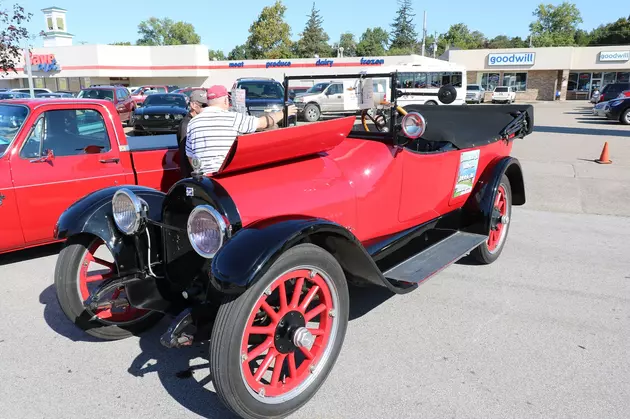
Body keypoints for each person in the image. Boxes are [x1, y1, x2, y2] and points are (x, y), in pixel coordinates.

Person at [185, 85, 297, 175]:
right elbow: (263, 123)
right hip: (223, 176)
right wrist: (283, 113)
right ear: (225, 101)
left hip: (203, 179)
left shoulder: (193, 123)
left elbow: (190, 155)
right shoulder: (232, 118)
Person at [177, 89, 207, 178]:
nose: (206, 108)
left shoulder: (199, 121)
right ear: (193, 105)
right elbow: (185, 155)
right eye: (204, 105)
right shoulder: (187, 124)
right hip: (193, 175)